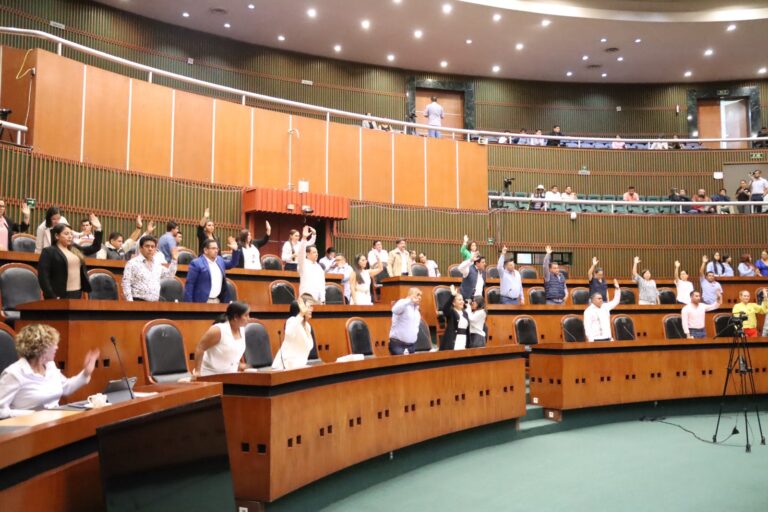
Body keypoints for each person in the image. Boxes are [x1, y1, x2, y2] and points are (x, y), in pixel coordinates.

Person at [0, 324, 99, 419]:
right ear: (40, 347)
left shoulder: (50, 366)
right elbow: (1, 410)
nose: (57, 347)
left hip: (53, 422)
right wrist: (32, 414)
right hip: (26, 429)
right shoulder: (14, 373)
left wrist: (86, 372)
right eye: (53, 344)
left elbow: (66, 387)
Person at [38, 216, 103, 299]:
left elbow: (95, 247)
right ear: (57, 236)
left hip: (77, 293)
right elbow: (43, 278)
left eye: (71, 234)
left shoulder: (74, 248)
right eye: (66, 234)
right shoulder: (49, 252)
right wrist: (52, 296)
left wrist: (98, 229)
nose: (70, 236)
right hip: (58, 294)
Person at [191, 301, 249, 378]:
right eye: (246, 315)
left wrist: (238, 364)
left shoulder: (242, 329)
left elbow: (230, 351)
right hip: (210, 375)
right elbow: (200, 348)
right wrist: (197, 371)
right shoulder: (218, 330)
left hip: (230, 375)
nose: (249, 318)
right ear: (235, 317)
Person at [122, 235, 179, 302]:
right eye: (147, 246)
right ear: (141, 248)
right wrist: (130, 303)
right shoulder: (132, 263)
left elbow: (170, 275)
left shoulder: (157, 264)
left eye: (152, 247)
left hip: (155, 303)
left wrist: (174, 260)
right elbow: (126, 284)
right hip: (138, 302)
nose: (150, 249)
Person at [183, 238, 240, 303]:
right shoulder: (196, 263)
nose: (216, 251)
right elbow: (190, 285)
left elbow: (233, 264)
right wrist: (189, 304)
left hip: (218, 300)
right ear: (205, 250)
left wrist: (235, 250)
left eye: (217, 248)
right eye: (213, 248)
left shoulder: (220, 260)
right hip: (202, 302)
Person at [273, 296, 315, 369]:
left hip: (299, 366)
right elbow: (289, 332)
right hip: (284, 366)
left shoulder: (307, 326)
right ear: (300, 309)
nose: (311, 309)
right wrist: (301, 314)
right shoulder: (292, 321)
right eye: (308, 307)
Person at [388, 288, 422, 355]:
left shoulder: (417, 310)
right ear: (410, 295)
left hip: (411, 346)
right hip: (398, 345)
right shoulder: (403, 303)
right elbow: (394, 310)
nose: (419, 297)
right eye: (417, 295)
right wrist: (409, 300)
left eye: (420, 295)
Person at [297, 225, 325, 303]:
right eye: (314, 252)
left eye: (317, 252)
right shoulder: (303, 263)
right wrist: (304, 238)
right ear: (307, 254)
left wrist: (323, 299)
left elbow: (322, 283)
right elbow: (301, 253)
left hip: (318, 299)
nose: (316, 254)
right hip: (306, 297)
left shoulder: (319, 267)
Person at [439, 285, 470, 351]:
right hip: (454, 341)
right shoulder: (451, 312)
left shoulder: (465, 313)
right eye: (459, 300)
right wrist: (452, 295)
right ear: (453, 303)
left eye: (462, 300)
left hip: (463, 340)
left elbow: (467, 330)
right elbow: (445, 309)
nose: (462, 302)